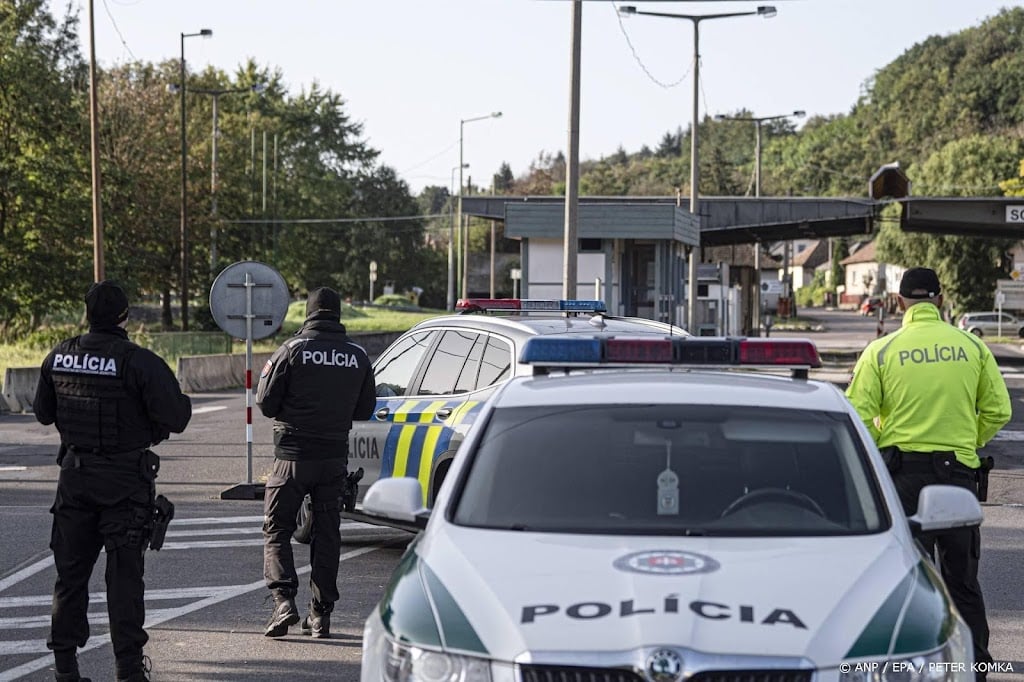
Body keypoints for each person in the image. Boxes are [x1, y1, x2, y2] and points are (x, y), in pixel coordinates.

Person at [846, 267, 1010, 678]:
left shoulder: (881, 351)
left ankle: (899, 666)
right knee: (962, 580)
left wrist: (882, 450)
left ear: (900, 302)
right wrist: (965, 442)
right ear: (939, 300)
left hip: (901, 477)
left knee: (901, 578)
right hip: (957, 478)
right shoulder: (971, 347)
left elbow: (857, 415)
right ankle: (975, 666)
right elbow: (999, 411)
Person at [33, 281, 193, 682]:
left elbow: (42, 413)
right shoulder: (139, 362)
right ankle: (127, 670)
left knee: (70, 578)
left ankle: (65, 669)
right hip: (125, 486)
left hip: (74, 481)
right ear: (125, 316)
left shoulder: (59, 357)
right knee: (124, 581)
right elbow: (177, 417)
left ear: (86, 315)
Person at [256, 286, 376, 638]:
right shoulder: (357, 355)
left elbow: (265, 402)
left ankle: (283, 602)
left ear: (308, 314)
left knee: (277, 527)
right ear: (338, 315)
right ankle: (320, 616)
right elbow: (365, 409)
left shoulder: (292, 350)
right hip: (333, 459)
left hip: (291, 458)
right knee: (327, 534)